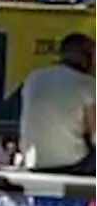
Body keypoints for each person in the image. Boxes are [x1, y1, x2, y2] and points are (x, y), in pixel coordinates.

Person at [19, 33, 97, 173]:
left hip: (33, 162)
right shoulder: (87, 83)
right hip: (72, 164)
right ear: (86, 56)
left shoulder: (33, 78)